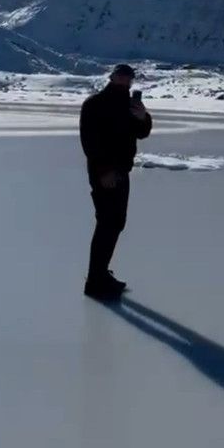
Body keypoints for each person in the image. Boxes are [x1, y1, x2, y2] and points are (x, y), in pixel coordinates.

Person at [80, 64, 152, 299]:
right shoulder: (95, 104)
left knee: (115, 222)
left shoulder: (128, 105)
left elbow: (142, 132)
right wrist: (104, 172)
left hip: (121, 172)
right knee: (107, 223)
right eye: (121, 76)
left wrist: (143, 117)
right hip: (104, 174)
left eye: (129, 77)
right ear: (112, 77)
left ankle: (99, 272)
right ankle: (95, 279)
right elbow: (90, 142)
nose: (125, 80)